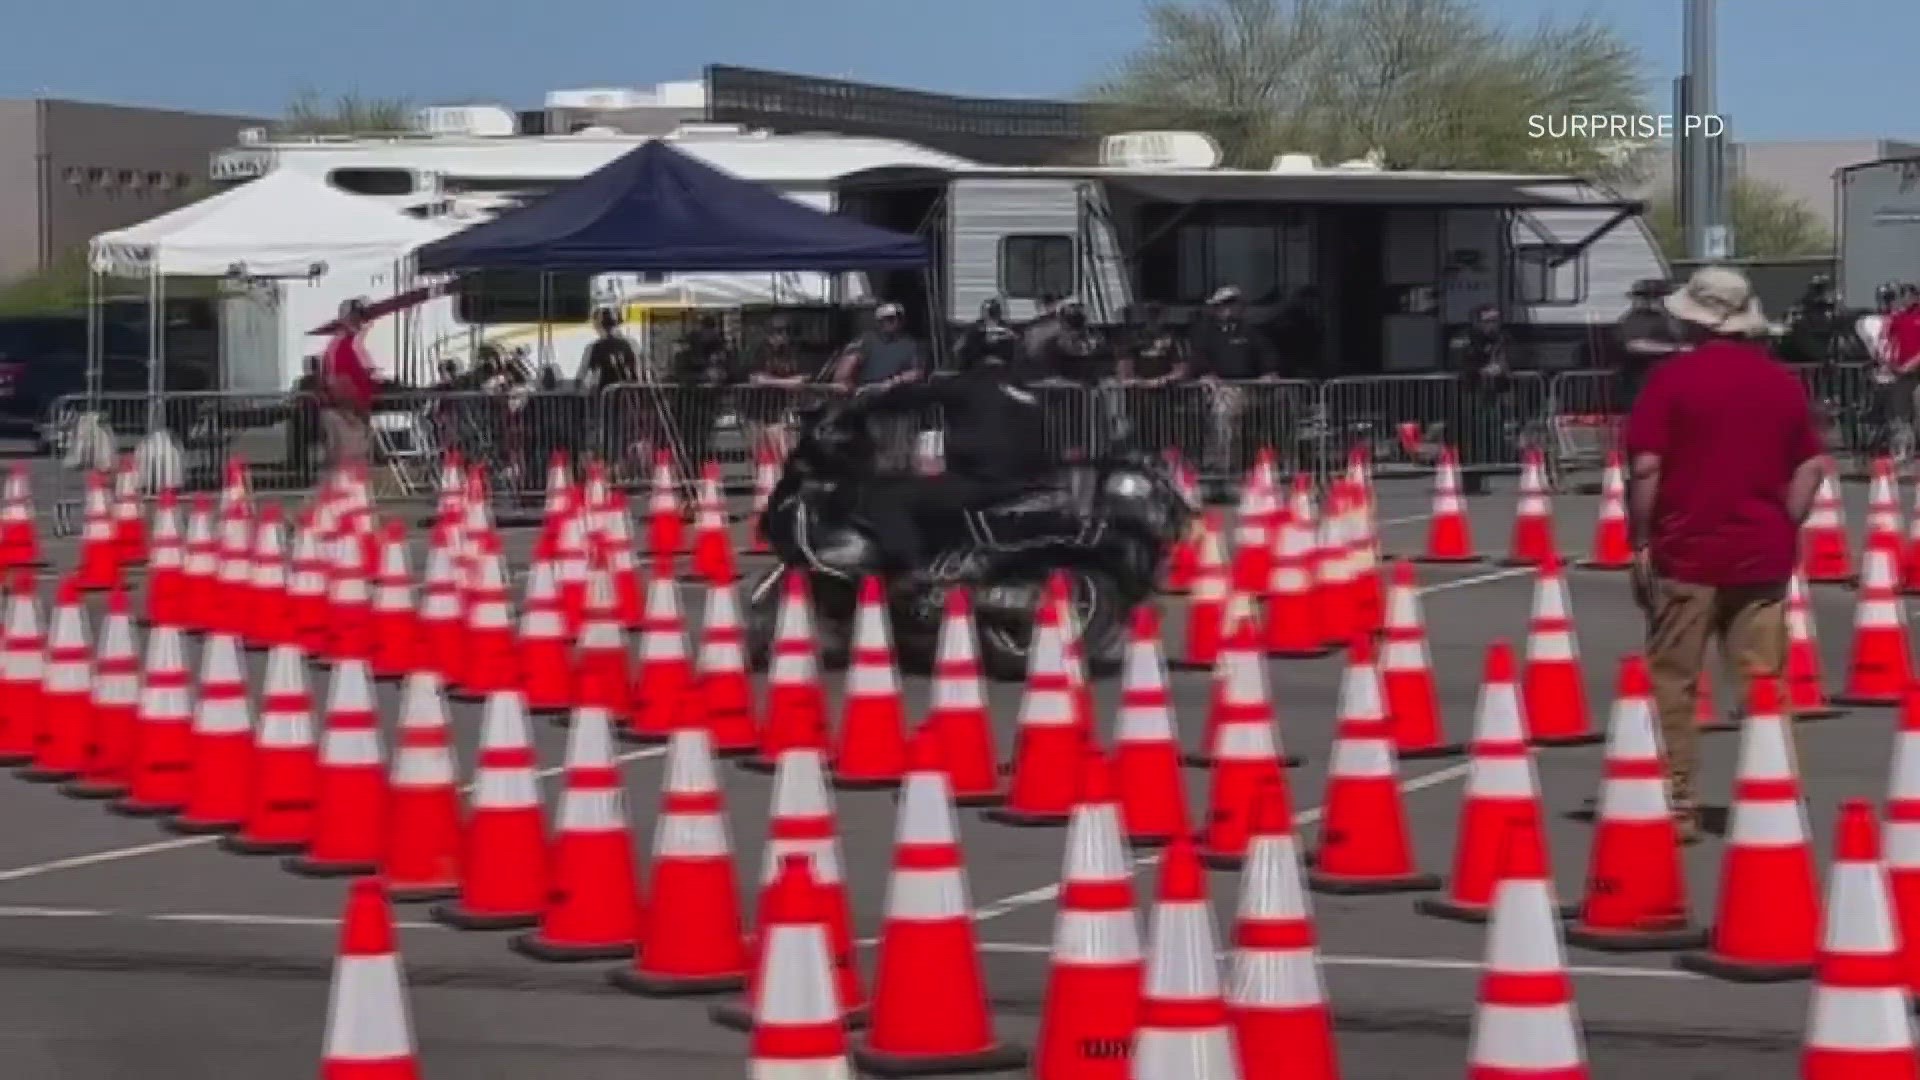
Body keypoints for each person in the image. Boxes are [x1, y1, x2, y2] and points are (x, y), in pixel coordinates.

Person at [1623, 266, 1828, 844]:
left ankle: (1679, 799)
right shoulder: (1781, 384)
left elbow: (1646, 467)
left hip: (1687, 551)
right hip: (1761, 555)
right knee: (1765, 683)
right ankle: (1776, 791)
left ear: (1692, 320)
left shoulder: (1670, 382)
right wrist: (1785, 517)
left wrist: (1641, 537)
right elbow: (1810, 464)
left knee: (1675, 680)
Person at [839, 349, 1051, 585]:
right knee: (933, 487)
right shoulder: (1025, 390)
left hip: (981, 483)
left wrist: (869, 401)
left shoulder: (972, 382)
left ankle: (915, 572)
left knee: (885, 496)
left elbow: (917, 397)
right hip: (1021, 485)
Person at [1445, 303, 1517, 495]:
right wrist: (1480, 370)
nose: (1492, 325)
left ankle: (1481, 478)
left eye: (1495, 320)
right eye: (1487, 321)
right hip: (1468, 394)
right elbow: (1457, 364)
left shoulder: (1501, 339)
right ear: (1477, 322)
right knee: (1469, 439)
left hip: (1490, 394)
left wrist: (1502, 371)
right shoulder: (1464, 338)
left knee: (1486, 438)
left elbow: (1510, 360)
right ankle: (1469, 481)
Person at [318, 298, 378, 478]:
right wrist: (356, 412)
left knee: (349, 467)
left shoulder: (346, 344)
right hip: (345, 415)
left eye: (362, 317)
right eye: (356, 317)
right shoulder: (343, 345)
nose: (360, 322)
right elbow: (340, 382)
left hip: (348, 413)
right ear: (345, 318)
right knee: (347, 467)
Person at [1609, 279, 1681, 410]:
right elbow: (1634, 344)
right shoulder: (1636, 319)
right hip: (1640, 386)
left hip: (1661, 385)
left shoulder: (1666, 317)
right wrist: (1677, 349)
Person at [578, 307, 640, 392]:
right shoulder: (632, 344)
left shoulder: (593, 347)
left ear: (597, 326)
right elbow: (638, 370)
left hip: (605, 397)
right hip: (630, 395)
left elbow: (582, 375)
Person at [955, 297, 1023, 369]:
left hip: (1003, 368)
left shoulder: (1007, 329)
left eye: (993, 312)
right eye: (988, 312)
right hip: (977, 367)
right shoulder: (974, 329)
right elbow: (962, 350)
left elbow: (1013, 350)